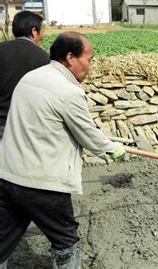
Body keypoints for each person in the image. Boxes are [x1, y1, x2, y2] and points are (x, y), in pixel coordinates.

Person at [0, 32, 126, 268]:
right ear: (70, 57)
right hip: (43, 184)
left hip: (9, 177)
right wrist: (113, 149)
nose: (90, 67)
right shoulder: (68, 92)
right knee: (66, 240)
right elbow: (89, 135)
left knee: (3, 238)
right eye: (89, 60)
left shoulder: (29, 78)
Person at [0, 11, 50, 140]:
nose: (42, 36)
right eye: (42, 32)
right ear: (34, 31)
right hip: (25, 127)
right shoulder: (42, 57)